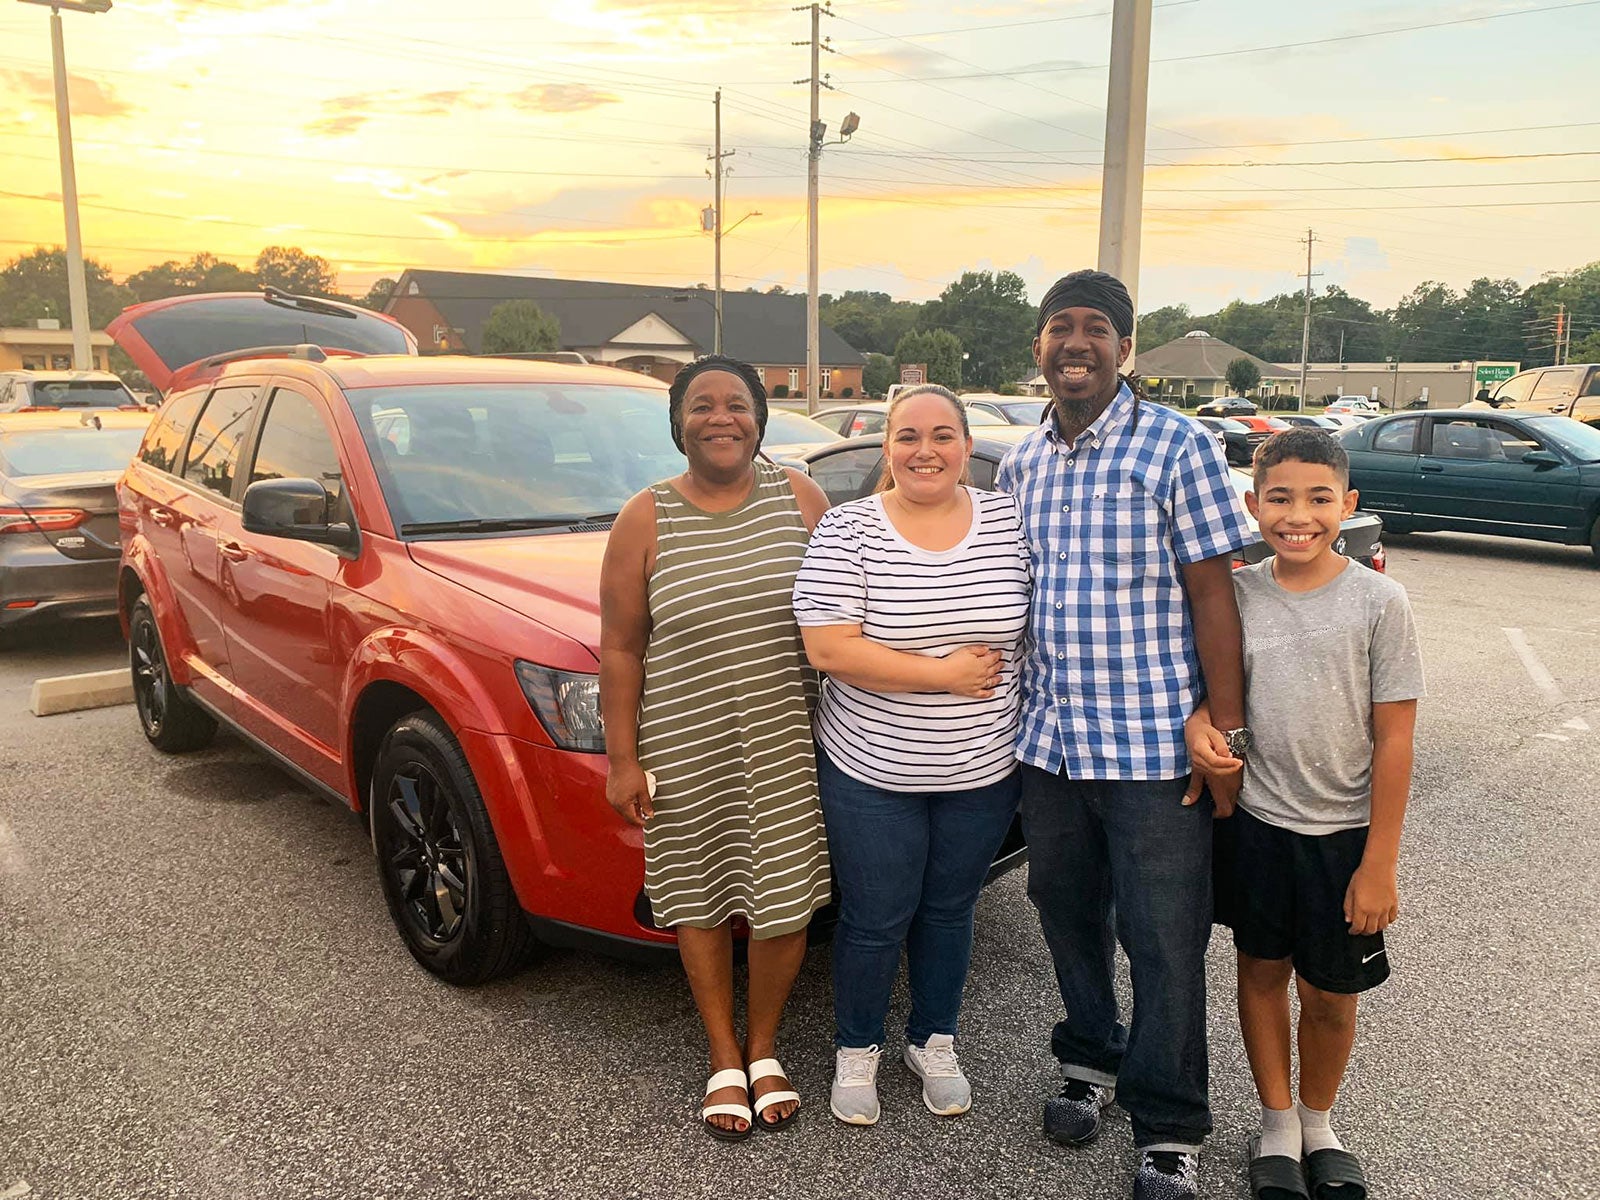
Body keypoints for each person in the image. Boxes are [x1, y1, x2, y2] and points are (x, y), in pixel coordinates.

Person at [996, 270, 1255, 1200]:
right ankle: (1089, 1058)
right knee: (1066, 912)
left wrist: (1227, 730)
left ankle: (1170, 1123)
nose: (1076, 343)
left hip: (1154, 750)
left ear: (1125, 347)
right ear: (1039, 346)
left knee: (1163, 938)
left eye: (1096, 329)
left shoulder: (1178, 444)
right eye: (1059, 327)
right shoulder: (1022, 463)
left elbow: (1215, 596)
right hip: (1050, 746)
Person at [599, 355, 833, 1142]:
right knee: (698, 894)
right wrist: (623, 761)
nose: (720, 416)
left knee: (784, 899)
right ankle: (723, 1052)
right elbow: (621, 649)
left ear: (760, 420)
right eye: (701, 405)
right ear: (678, 425)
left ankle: (764, 1046)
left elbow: (847, 610)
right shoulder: (644, 518)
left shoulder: (801, 498)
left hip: (787, 742)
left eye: (737, 403)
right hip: (684, 745)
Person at [1185, 429, 1423, 1200]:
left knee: (1329, 996)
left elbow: (1395, 738)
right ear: (1252, 505)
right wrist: (1198, 727)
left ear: (1346, 505)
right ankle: (1277, 1124)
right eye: (1280, 498)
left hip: (1343, 838)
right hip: (1257, 826)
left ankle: (1320, 1123)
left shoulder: (1379, 602)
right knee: (1261, 973)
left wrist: (1379, 862)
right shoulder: (1238, 594)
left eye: (1319, 499)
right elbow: (1213, 694)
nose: (1298, 516)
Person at [791, 385, 1031, 1126]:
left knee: (950, 910)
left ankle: (933, 1040)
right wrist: (943, 675)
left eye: (943, 435)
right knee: (875, 917)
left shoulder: (1008, 520)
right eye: (908, 436)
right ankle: (857, 1046)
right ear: (887, 447)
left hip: (982, 770)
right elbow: (828, 647)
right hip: (872, 771)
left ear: (967, 445)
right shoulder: (849, 528)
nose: (926, 451)